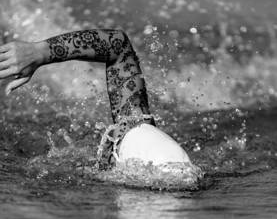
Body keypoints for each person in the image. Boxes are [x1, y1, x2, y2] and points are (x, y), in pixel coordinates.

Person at [0, 29, 192, 170]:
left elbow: (118, 44)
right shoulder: (136, 129)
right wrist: (38, 53)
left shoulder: (133, 136)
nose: (109, 142)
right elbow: (119, 45)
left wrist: (40, 52)